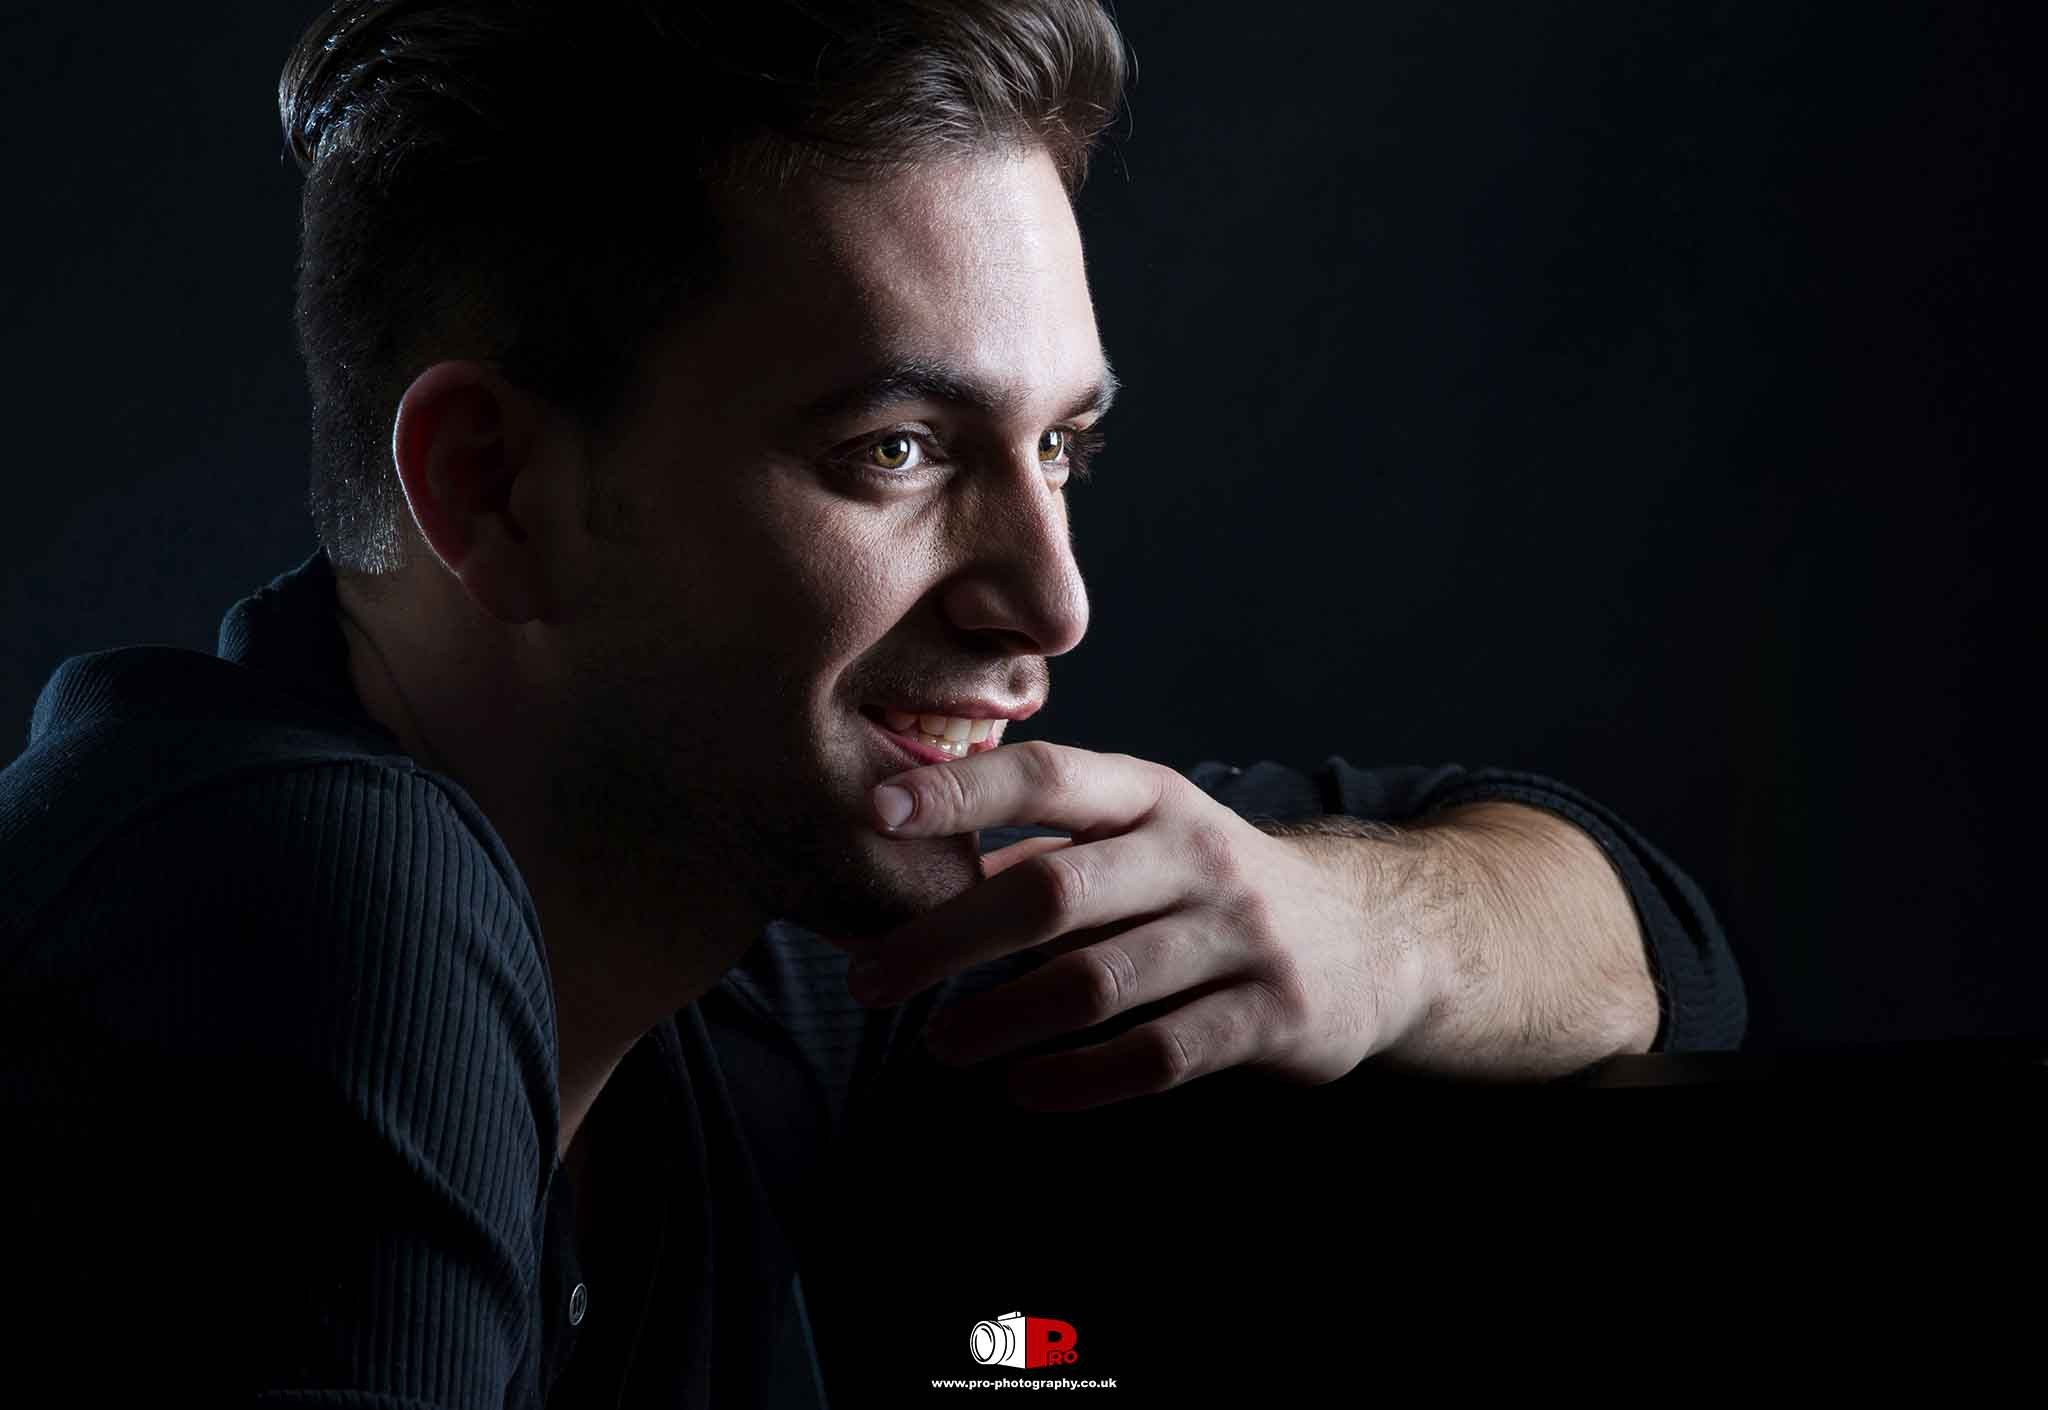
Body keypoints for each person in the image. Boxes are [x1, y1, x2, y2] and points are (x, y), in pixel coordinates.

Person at [0, 1, 1746, 1404]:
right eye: (896, 451)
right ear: (496, 490)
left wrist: (1364, 923)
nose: (1054, 598)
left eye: (1061, 447)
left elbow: (1651, 931)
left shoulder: (761, 910)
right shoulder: (306, 894)